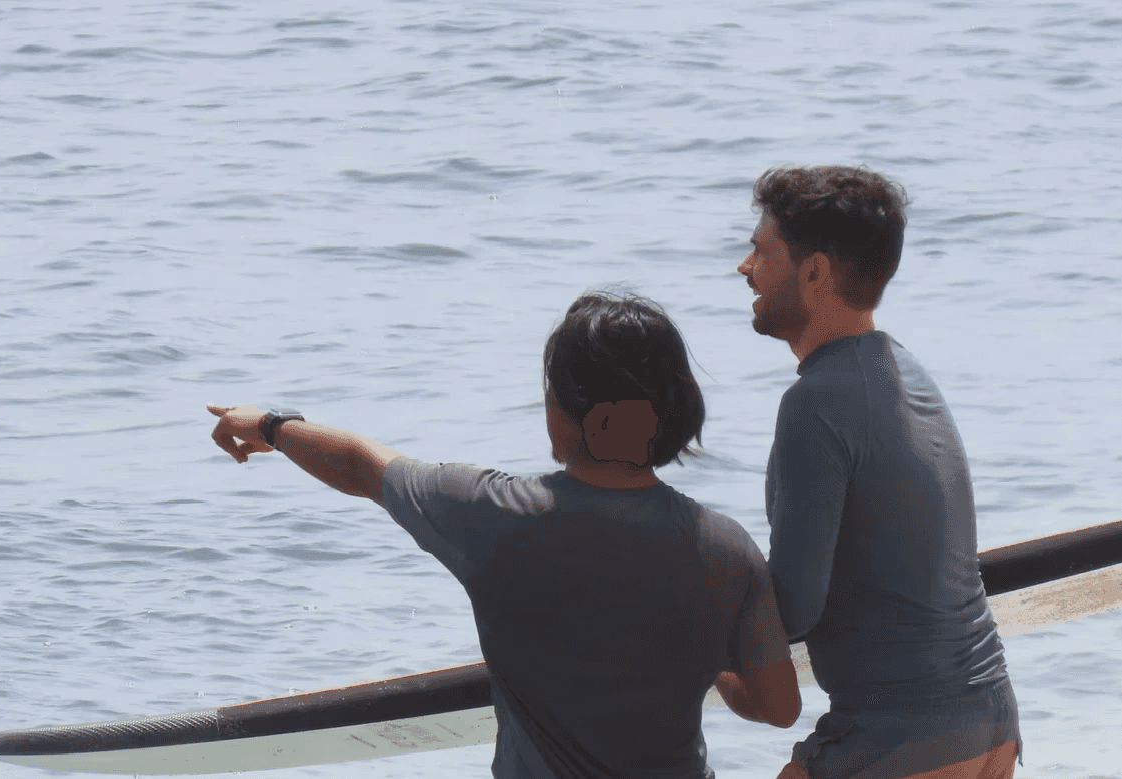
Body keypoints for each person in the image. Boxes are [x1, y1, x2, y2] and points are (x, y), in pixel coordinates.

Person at [208, 291, 801, 779]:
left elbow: (363, 465)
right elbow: (777, 706)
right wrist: (702, 662)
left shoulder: (491, 513)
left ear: (565, 409)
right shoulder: (726, 548)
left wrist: (270, 425)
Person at [735, 166, 1022, 779]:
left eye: (760, 250)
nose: (744, 267)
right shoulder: (906, 369)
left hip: (901, 740)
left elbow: (792, 610)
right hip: (991, 724)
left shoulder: (815, 403)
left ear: (814, 273)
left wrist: (690, 607)